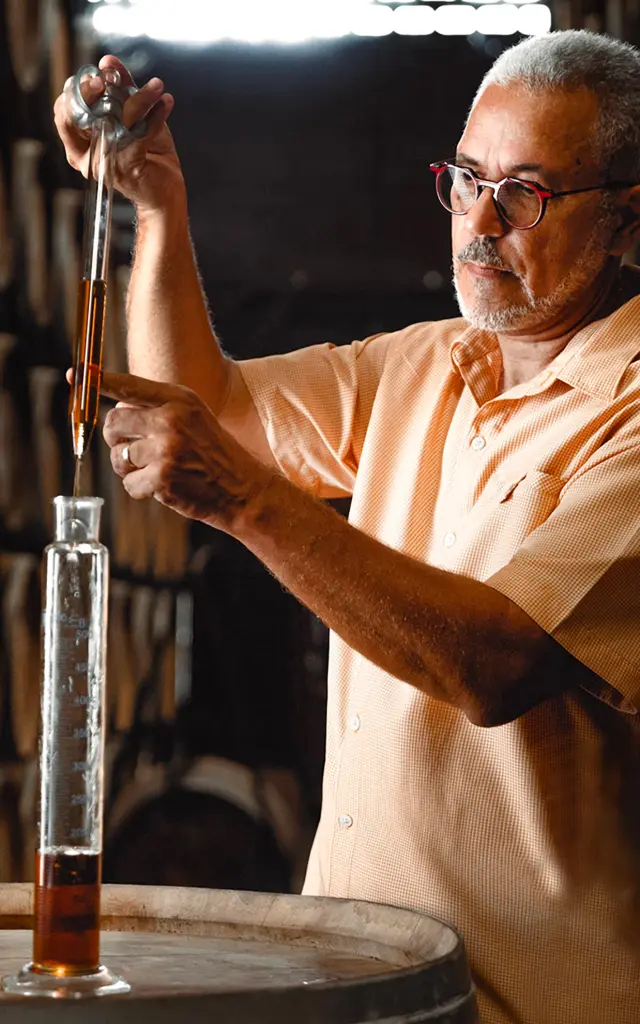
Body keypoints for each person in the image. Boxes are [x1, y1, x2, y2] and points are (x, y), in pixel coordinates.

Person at [55, 29, 640, 1024]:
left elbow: (492, 661)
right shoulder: (423, 364)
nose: (479, 222)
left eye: (525, 191)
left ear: (628, 220)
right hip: (360, 989)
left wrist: (246, 501)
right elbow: (205, 409)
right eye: (465, 178)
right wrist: (156, 199)